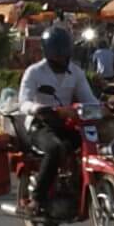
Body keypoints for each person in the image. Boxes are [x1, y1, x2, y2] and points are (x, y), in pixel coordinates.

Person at [17, 25, 97, 214]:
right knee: (54, 148)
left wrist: (103, 107)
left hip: (65, 123)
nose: (61, 57)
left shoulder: (76, 72)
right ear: (47, 52)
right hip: (40, 124)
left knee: (88, 142)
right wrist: (38, 108)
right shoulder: (34, 72)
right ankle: (37, 199)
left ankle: (74, 183)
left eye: (63, 52)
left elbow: (88, 99)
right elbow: (23, 102)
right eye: (56, 53)